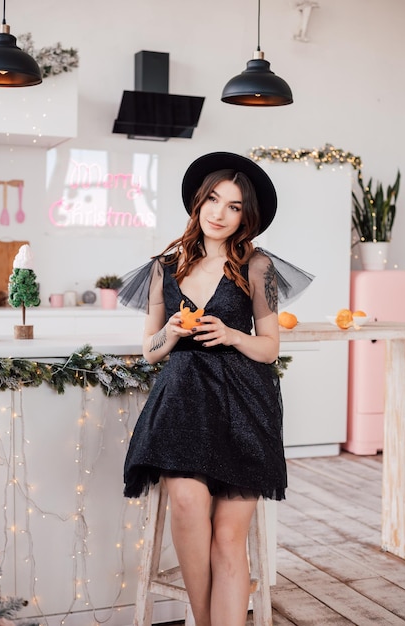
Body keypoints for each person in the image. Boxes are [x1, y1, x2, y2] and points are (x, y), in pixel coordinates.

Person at [118, 152, 313, 626]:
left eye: (233, 207)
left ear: (247, 217)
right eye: (212, 200)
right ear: (197, 202)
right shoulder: (163, 267)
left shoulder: (258, 266)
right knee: (186, 504)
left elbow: (269, 348)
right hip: (183, 403)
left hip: (245, 405)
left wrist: (231, 335)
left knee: (228, 537)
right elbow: (149, 350)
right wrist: (174, 334)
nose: (219, 213)